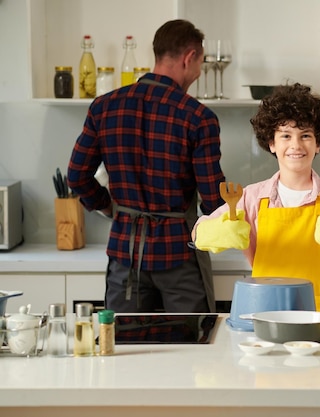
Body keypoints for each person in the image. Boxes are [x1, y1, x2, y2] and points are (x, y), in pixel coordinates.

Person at [67, 19, 225, 313]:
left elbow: (76, 176)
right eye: (200, 63)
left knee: (125, 350)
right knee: (190, 350)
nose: (199, 72)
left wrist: (109, 207)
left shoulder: (104, 107)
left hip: (124, 255)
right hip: (180, 256)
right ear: (189, 57)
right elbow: (215, 200)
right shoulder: (198, 117)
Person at [192, 83, 320, 314]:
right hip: (266, 311)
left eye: (305, 135)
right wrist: (221, 231)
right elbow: (197, 235)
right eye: (286, 135)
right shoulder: (252, 197)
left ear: (318, 144)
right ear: (272, 143)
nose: (296, 145)